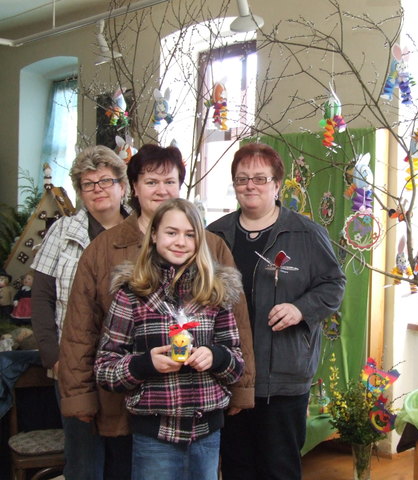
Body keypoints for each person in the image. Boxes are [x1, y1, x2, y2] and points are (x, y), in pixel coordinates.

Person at [57, 144, 254, 480]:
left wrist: (240, 387)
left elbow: (235, 326)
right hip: (128, 402)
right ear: (133, 187)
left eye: (170, 181)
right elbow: (80, 330)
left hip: (199, 410)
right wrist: (79, 396)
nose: (161, 190)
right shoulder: (104, 251)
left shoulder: (211, 247)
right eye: (151, 182)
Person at [207, 142, 346, 480]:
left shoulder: (306, 233)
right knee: (236, 466)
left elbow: (334, 285)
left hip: (283, 376)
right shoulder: (214, 235)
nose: (250, 186)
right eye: (241, 179)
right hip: (230, 373)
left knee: (279, 468)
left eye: (259, 178)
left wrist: (300, 309)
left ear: (277, 185)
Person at [95, 198, 244, 480]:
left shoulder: (214, 294)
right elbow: (105, 369)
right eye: (171, 232)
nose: (180, 242)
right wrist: (143, 365)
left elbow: (237, 366)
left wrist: (216, 356)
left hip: (207, 434)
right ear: (154, 236)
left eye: (190, 235)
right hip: (154, 437)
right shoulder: (132, 295)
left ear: (200, 240)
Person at [31, 145, 129, 480]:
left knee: (124, 461)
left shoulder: (143, 233)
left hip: (128, 368)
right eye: (88, 184)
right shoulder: (62, 232)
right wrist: (53, 356)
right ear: (81, 192)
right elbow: (40, 297)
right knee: (83, 462)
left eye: (105, 181)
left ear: (123, 186)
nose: (98, 189)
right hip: (74, 366)